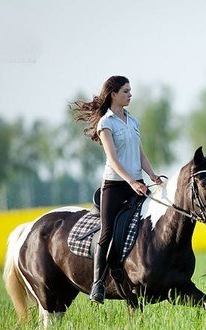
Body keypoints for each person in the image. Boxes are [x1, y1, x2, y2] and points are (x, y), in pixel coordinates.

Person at [71, 75, 163, 303]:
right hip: (115, 185)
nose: (130, 94)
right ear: (113, 94)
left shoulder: (133, 121)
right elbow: (113, 160)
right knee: (107, 232)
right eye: (125, 91)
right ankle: (98, 284)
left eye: (130, 91)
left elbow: (140, 154)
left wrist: (152, 175)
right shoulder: (106, 123)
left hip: (137, 183)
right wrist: (132, 182)